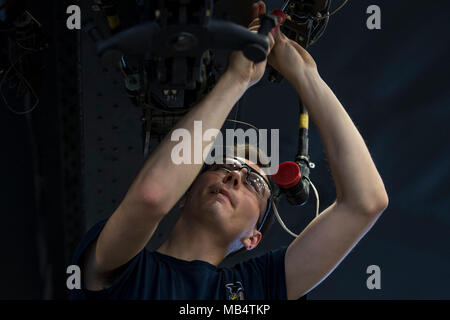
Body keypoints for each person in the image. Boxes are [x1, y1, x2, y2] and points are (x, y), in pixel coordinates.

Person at [69, 1, 388, 300]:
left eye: (254, 183)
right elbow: (152, 196)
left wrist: (304, 72)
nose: (236, 177)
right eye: (225, 167)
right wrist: (237, 79)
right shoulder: (127, 270)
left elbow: (366, 203)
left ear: (253, 239)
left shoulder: (256, 289)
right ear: (183, 194)